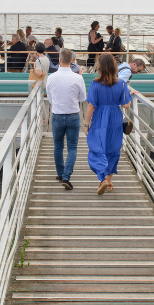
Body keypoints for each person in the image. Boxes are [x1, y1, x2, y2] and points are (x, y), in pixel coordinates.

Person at [85, 53, 132, 195]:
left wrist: (87, 123)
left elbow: (91, 106)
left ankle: (102, 178)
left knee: (97, 146)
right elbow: (127, 105)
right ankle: (109, 182)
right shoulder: (122, 84)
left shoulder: (95, 83)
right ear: (114, 66)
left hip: (100, 118)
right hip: (115, 118)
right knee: (112, 149)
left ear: (100, 67)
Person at [46, 48, 87, 190]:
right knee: (72, 148)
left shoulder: (51, 78)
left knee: (58, 146)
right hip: (73, 116)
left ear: (59, 60)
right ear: (72, 61)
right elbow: (83, 98)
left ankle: (60, 173)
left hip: (57, 115)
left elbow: (50, 98)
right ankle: (66, 177)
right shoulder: (78, 78)